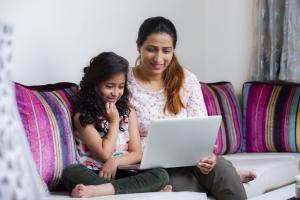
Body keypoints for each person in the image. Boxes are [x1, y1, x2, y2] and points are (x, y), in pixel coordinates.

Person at [127, 16, 255, 200]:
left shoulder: (187, 80)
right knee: (180, 183)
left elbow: (201, 129)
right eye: (151, 49)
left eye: (166, 51)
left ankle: (228, 176)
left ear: (173, 50)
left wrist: (207, 155)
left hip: (191, 159)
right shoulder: (124, 82)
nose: (159, 58)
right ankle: (232, 177)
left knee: (220, 167)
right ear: (138, 46)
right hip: (151, 167)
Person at [61, 52, 171, 198]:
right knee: (70, 173)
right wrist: (113, 122)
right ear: (95, 84)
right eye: (109, 86)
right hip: (94, 172)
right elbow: (104, 154)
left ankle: (100, 191)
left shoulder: (128, 112)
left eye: (120, 87)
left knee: (161, 174)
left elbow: (137, 153)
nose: (115, 93)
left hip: (122, 171)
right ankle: (131, 191)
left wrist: (115, 161)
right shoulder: (83, 117)